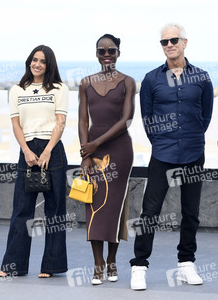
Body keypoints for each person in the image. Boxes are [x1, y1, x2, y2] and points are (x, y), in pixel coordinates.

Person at [130, 23, 214, 291]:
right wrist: (162, 142)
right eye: (164, 42)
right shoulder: (152, 79)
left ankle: (186, 264)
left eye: (174, 40)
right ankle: (139, 265)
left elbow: (206, 115)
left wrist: (191, 137)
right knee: (149, 212)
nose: (169, 45)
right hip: (162, 154)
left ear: (185, 42)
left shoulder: (201, 77)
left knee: (191, 213)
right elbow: (147, 118)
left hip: (193, 153)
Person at [0, 45, 69, 278]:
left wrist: (48, 150)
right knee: (22, 209)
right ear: (29, 62)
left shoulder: (59, 88)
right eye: (34, 60)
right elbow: (16, 124)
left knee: (55, 210)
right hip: (27, 151)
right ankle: (13, 265)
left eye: (42, 61)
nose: (37, 64)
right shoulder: (17, 90)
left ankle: (52, 266)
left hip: (53, 151)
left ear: (49, 65)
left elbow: (60, 122)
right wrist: (27, 151)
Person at [78, 34, 136, 285]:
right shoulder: (85, 83)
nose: (106, 54)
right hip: (92, 154)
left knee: (114, 208)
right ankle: (97, 263)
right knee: (92, 207)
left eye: (111, 50)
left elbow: (126, 120)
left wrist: (95, 143)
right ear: (96, 53)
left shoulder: (128, 82)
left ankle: (112, 261)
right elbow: (82, 121)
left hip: (119, 152)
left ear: (118, 53)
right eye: (102, 50)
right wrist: (86, 154)